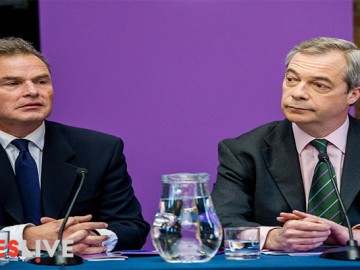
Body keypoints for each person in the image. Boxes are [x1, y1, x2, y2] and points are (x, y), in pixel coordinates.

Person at [0, 37, 150, 255]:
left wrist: (92, 239)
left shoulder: (99, 149)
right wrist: (28, 238)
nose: (32, 91)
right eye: (13, 83)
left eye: (42, 81)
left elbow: (131, 226)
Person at [211, 37, 360, 252]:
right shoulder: (244, 151)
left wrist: (350, 235)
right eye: (291, 79)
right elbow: (219, 225)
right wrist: (273, 237)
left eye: (319, 85)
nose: (297, 93)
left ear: (353, 94)